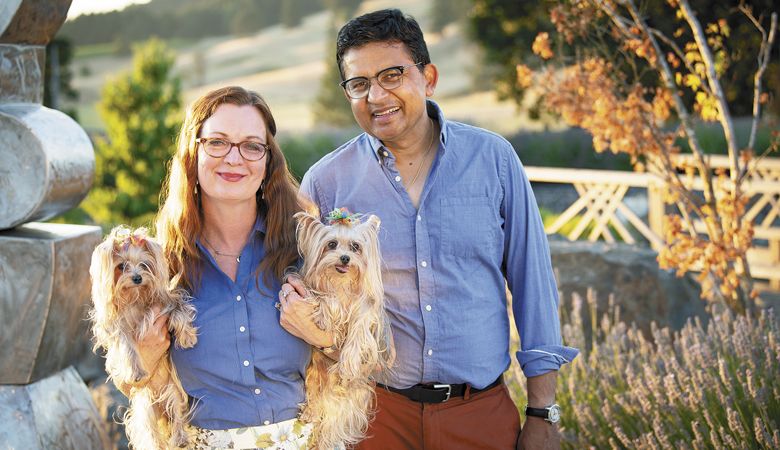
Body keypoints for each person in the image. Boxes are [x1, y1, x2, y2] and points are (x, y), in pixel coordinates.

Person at [279, 9, 579, 450]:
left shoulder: (493, 160)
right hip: (370, 415)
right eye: (359, 84)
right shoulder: (326, 181)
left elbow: (533, 285)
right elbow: (298, 291)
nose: (376, 96)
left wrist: (543, 413)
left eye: (392, 75)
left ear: (429, 77)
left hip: (479, 412)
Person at [129, 86, 333, 449]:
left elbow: (364, 356)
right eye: (218, 142)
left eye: (252, 146)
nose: (234, 159)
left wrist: (322, 338)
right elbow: (131, 380)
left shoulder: (305, 252)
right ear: (193, 153)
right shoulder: (161, 266)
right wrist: (140, 358)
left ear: (268, 160)